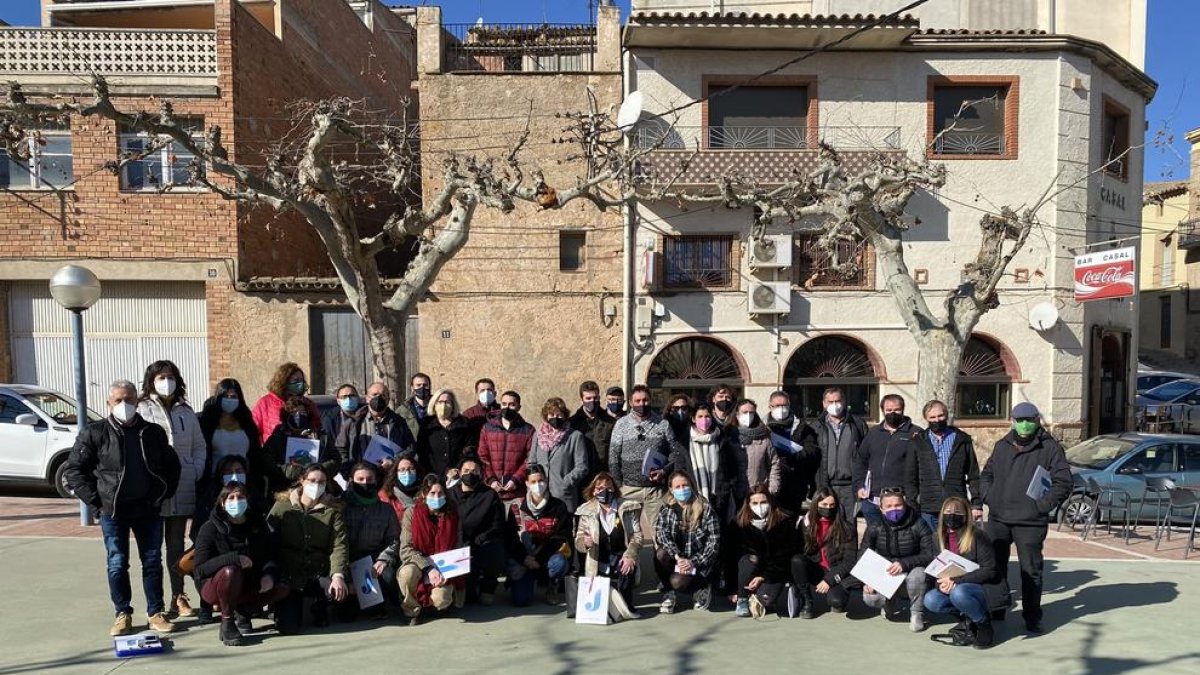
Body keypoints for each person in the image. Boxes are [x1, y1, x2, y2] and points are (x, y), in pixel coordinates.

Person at [66, 379, 182, 637]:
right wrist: (97, 503)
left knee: (152, 561)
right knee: (117, 563)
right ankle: (122, 613)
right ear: (109, 403)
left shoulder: (152, 432)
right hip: (113, 512)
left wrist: (160, 495)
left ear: (137, 402)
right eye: (118, 400)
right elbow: (74, 471)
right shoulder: (94, 433)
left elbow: (171, 467)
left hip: (147, 510)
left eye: (129, 399)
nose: (124, 405)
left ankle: (155, 612)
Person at [980, 402, 1072, 634]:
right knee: (994, 566)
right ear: (1013, 420)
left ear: (1037, 420)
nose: (1024, 424)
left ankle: (1032, 616)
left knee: (1030, 570)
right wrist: (989, 496)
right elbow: (987, 474)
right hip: (999, 518)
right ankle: (997, 607)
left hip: (1030, 522)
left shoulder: (1050, 448)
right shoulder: (1002, 445)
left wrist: (1041, 506)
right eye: (1019, 420)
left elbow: (1063, 482)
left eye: (1028, 420)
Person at [135, 360, 206, 620]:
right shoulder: (142, 409)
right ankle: (156, 603)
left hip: (183, 485)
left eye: (171, 376)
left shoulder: (185, 411)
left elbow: (199, 445)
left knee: (176, 545)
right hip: (154, 489)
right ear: (151, 380)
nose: (167, 381)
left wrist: (195, 468)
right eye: (161, 377)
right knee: (152, 550)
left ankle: (179, 596)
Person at [193, 482, 288, 646]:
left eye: (240, 497)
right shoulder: (209, 528)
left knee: (284, 585)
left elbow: (272, 556)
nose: (236, 501)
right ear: (223, 503)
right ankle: (227, 621)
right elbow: (200, 570)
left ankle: (246, 610)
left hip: (249, 583)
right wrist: (234, 558)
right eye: (231, 497)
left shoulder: (258, 525)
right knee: (231, 571)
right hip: (214, 586)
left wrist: (269, 574)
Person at [267, 464, 349, 634]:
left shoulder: (334, 511)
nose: (316, 485)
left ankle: (321, 602)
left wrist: (337, 576)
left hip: (319, 571)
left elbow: (339, 545)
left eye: (321, 482)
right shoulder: (282, 506)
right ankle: (279, 605)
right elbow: (269, 540)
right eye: (312, 480)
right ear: (302, 481)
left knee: (347, 609)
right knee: (288, 627)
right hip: (290, 574)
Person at [665, 403, 738, 594]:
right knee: (698, 540)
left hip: (718, 497)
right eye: (700, 416)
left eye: (707, 416)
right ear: (693, 418)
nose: (704, 420)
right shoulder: (684, 441)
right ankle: (698, 582)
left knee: (719, 542)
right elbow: (679, 469)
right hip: (693, 498)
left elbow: (730, 469)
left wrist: (725, 489)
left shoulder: (721, 439)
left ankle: (718, 581)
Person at [922, 496, 998, 649]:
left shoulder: (978, 536)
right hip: (953, 584)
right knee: (931, 600)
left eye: (958, 512)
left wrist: (957, 582)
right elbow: (937, 569)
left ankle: (983, 624)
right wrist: (941, 586)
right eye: (948, 512)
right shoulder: (937, 538)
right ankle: (968, 620)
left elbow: (990, 570)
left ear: (966, 515)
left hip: (979, 588)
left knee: (959, 593)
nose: (952, 515)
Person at [858, 487, 936, 632]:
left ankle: (916, 614)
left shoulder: (919, 524)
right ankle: (888, 602)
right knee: (870, 598)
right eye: (889, 506)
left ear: (904, 504)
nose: (894, 509)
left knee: (919, 574)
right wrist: (867, 579)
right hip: (886, 572)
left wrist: (904, 564)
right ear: (881, 509)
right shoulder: (875, 526)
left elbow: (930, 554)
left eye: (898, 505)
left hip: (912, 571)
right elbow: (863, 553)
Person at [191, 453, 255, 624]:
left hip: (245, 556)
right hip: (214, 551)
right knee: (219, 567)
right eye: (229, 471)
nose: (234, 474)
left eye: (239, 470)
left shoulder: (254, 498)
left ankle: (243, 605)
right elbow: (197, 530)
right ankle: (208, 604)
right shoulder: (209, 497)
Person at [905, 400, 982, 531]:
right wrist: (913, 503)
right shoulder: (917, 442)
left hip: (956, 506)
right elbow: (910, 477)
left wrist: (976, 504)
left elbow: (973, 475)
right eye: (932, 417)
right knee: (932, 546)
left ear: (946, 415)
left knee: (955, 547)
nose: (937, 420)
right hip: (928, 507)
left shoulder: (962, 440)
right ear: (926, 419)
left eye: (940, 416)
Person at [397, 475, 463, 624]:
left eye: (440, 493)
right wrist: (428, 568)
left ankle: (433, 605)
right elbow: (406, 549)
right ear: (424, 494)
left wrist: (450, 571)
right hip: (418, 562)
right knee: (407, 574)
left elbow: (458, 546)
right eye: (432, 493)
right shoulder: (411, 513)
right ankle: (411, 609)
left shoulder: (453, 514)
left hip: (443, 564)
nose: (436, 497)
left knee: (441, 600)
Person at [340, 462, 401, 619]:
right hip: (346, 559)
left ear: (376, 480)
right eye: (360, 479)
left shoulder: (386, 510)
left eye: (369, 479)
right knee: (347, 616)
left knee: (388, 577)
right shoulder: (340, 506)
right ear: (351, 480)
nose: (365, 483)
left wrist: (383, 559)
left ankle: (383, 601)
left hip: (373, 559)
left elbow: (393, 539)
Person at [654, 472, 721, 614]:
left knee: (678, 583)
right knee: (660, 554)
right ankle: (669, 592)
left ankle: (702, 587)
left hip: (700, 563)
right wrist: (678, 557)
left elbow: (713, 543)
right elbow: (661, 535)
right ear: (671, 490)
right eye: (677, 486)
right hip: (679, 560)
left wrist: (693, 562)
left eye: (685, 485)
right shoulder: (667, 509)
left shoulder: (705, 509)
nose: (681, 489)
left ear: (691, 486)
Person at [507, 464, 572, 606]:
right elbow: (510, 539)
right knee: (521, 601)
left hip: (546, 557)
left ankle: (551, 586)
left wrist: (539, 559)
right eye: (533, 482)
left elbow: (560, 537)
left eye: (541, 480)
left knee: (560, 563)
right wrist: (524, 558)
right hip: (524, 558)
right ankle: (522, 582)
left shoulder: (559, 506)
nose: (538, 485)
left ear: (546, 481)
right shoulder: (515, 507)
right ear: (526, 484)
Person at [574, 472, 642, 608]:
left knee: (626, 568)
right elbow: (578, 541)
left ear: (614, 489)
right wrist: (585, 543)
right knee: (603, 606)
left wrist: (630, 556)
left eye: (609, 488)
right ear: (593, 491)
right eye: (599, 488)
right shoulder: (586, 511)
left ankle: (627, 603)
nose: (604, 491)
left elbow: (637, 536)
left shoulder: (629, 508)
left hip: (621, 558)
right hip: (598, 561)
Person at [608, 384, 672, 527]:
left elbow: (674, 452)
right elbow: (613, 457)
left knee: (660, 533)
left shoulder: (663, 424)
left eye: (645, 400)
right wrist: (619, 485)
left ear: (650, 401)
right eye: (637, 401)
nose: (641, 404)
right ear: (630, 403)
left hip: (654, 490)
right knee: (630, 536)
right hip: (628, 489)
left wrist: (664, 471)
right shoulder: (621, 424)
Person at [448, 455, 508, 605]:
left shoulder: (489, 495)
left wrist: (480, 539)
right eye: (466, 470)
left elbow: (497, 524)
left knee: (495, 551)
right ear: (459, 472)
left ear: (481, 474)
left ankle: (488, 587)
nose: (470, 474)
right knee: (468, 598)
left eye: (475, 471)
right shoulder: (449, 494)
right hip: (458, 542)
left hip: (483, 541)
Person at [853, 395, 921, 526]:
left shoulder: (915, 434)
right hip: (873, 502)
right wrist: (859, 485)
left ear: (903, 409)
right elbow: (860, 461)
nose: (893, 413)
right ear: (882, 410)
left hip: (900, 503)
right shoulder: (873, 433)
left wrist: (912, 496)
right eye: (889, 410)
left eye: (897, 410)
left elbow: (922, 467)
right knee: (875, 541)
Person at [792, 487, 857, 618]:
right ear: (816, 505)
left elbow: (850, 561)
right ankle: (806, 600)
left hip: (835, 571)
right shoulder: (805, 525)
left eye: (832, 505)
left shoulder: (847, 528)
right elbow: (800, 553)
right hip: (816, 569)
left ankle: (837, 595)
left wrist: (829, 580)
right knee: (797, 560)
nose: (828, 508)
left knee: (837, 602)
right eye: (824, 505)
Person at [733, 485, 796, 618]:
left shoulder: (784, 521)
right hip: (748, 570)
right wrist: (732, 589)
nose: (759, 506)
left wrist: (763, 577)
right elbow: (730, 558)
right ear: (748, 504)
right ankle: (742, 599)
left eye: (763, 502)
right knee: (748, 559)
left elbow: (785, 557)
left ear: (770, 501)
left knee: (766, 601)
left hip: (773, 572)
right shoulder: (738, 524)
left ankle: (757, 594)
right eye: (755, 503)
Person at [198, 378, 262, 504]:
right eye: (226, 396)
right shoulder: (207, 422)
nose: (230, 399)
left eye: (234, 396)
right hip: (215, 482)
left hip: (243, 482)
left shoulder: (247, 422)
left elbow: (255, 453)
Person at [811, 387, 868, 521]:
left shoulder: (857, 424)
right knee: (826, 526)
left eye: (837, 401)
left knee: (848, 526)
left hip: (850, 486)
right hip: (825, 485)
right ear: (824, 404)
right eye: (830, 402)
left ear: (844, 401)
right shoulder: (816, 426)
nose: (834, 405)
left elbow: (866, 455)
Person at [262, 396, 338, 493]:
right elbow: (266, 461)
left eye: (302, 413)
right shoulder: (278, 437)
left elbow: (336, 459)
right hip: (285, 489)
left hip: (318, 488)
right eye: (293, 413)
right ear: (286, 416)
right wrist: (287, 470)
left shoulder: (321, 436)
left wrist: (320, 470)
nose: (298, 416)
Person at [765, 390, 821, 515]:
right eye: (777, 406)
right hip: (769, 484)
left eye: (784, 405)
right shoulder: (762, 427)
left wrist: (793, 456)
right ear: (770, 407)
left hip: (794, 484)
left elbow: (812, 451)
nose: (781, 409)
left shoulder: (803, 428)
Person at [530, 397, 589, 513]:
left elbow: (582, 467)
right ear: (546, 416)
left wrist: (565, 483)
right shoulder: (538, 435)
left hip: (563, 495)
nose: (555, 418)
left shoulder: (575, 436)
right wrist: (535, 483)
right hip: (540, 494)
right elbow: (532, 462)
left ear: (565, 415)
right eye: (551, 415)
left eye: (559, 415)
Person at [477, 391, 535, 503]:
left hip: (517, 492)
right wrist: (491, 480)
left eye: (512, 405)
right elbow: (482, 456)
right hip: (492, 491)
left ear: (519, 407)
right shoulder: (487, 428)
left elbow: (530, 458)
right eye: (504, 404)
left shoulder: (528, 430)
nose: (507, 407)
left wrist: (516, 479)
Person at [251, 362, 321, 444]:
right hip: (274, 452)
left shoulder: (308, 404)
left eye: (301, 380)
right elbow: (253, 431)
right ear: (284, 382)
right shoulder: (265, 403)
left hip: (302, 451)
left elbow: (318, 426)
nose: (300, 384)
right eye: (296, 380)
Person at [416, 389, 471, 481]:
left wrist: (458, 469)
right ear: (434, 404)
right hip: (433, 476)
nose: (443, 405)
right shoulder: (426, 425)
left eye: (447, 402)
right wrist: (444, 470)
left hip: (458, 477)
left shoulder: (464, 424)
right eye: (440, 402)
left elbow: (469, 449)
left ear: (453, 405)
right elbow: (423, 452)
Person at [731, 399, 782, 497]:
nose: (748, 415)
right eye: (745, 412)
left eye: (751, 412)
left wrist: (772, 488)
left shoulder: (763, 437)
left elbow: (774, 463)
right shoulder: (730, 436)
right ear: (737, 414)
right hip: (737, 494)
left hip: (759, 493)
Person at [569, 381, 615, 485]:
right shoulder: (572, 423)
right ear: (582, 400)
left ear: (599, 398)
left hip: (603, 479)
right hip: (580, 480)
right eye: (588, 398)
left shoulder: (610, 422)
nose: (592, 401)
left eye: (595, 398)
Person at [380, 454, 421, 525]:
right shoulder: (386, 495)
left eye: (411, 469)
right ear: (396, 473)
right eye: (402, 470)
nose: (407, 473)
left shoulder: (426, 492)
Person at [461, 377, 499, 443]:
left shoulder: (502, 411)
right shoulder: (468, 414)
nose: (486, 393)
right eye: (482, 390)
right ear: (477, 394)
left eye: (489, 390)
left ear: (495, 393)